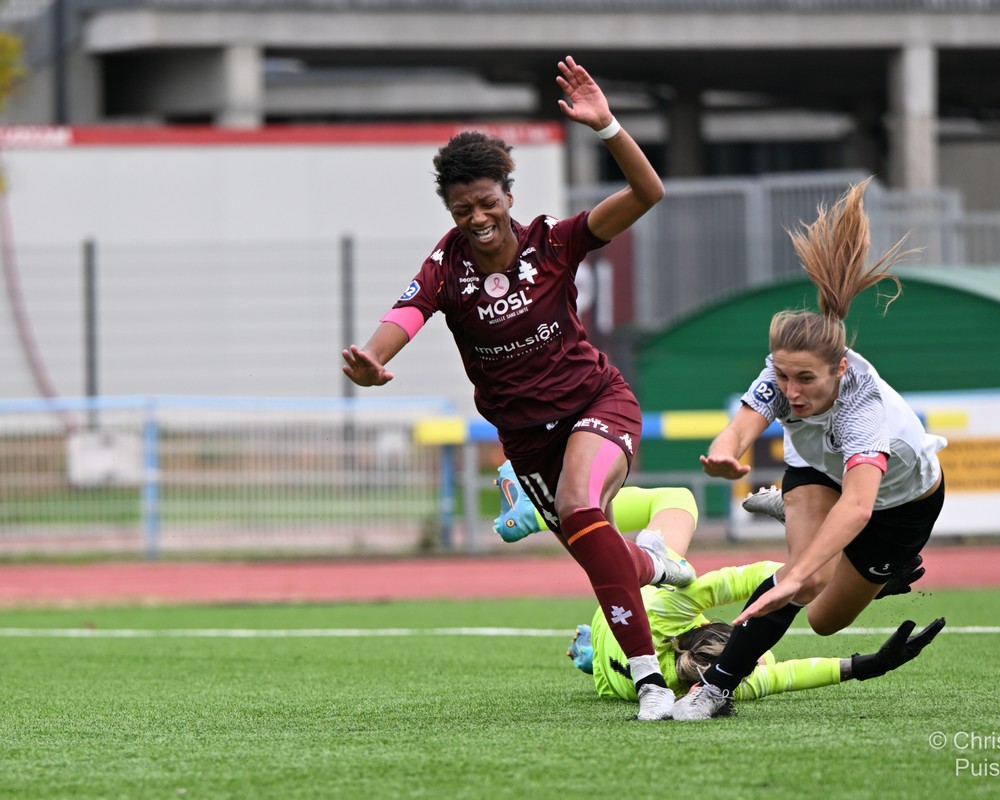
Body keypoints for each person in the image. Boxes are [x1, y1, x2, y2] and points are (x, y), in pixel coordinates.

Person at [341, 56, 685, 721]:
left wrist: (607, 126)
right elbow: (403, 315)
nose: (477, 218)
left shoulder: (554, 244)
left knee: (580, 509)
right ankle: (655, 563)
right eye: (462, 209)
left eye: (487, 203)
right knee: (604, 555)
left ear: (508, 195)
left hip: (596, 405)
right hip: (528, 444)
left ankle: (650, 684)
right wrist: (371, 361)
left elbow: (648, 193)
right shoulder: (445, 268)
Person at [672, 178, 949, 721]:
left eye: (805, 380)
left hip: (899, 504)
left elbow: (859, 506)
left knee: (822, 618)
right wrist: (725, 453)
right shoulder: (781, 375)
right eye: (783, 376)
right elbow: (739, 429)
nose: (791, 391)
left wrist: (797, 577)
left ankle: (872, 570)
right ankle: (715, 690)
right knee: (807, 577)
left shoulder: (864, 411)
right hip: (819, 471)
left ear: (840, 369)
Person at [495, 462, 942, 710]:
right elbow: (787, 676)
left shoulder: (667, 615)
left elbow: (753, 579)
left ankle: (536, 511)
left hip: (630, 607)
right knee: (609, 617)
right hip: (608, 675)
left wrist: (846, 574)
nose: (759, 660)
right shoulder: (709, 682)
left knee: (676, 501)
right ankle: (593, 654)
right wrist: (868, 664)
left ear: (708, 628)